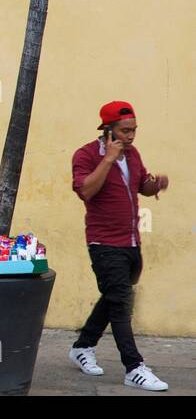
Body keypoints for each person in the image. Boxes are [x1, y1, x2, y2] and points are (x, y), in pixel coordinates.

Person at [68, 100, 170, 391]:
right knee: (121, 304)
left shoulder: (133, 154)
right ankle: (134, 367)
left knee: (114, 297)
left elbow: (141, 186)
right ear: (108, 130)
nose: (131, 136)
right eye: (125, 130)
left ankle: (83, 346)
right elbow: (86, 190)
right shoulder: (87, 155)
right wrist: (108, 159)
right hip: (104, 243)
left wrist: (156, 185)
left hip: (131, 242)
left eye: (134, 130)